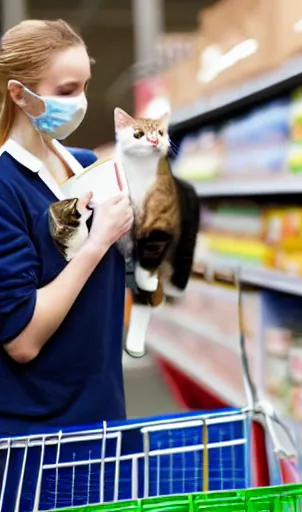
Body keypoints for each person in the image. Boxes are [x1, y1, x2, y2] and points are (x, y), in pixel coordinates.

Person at [0, 19, 134, 436]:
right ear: (20, 94)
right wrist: (98, 242)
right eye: (66, 91)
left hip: (103, 411)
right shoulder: (6, 186)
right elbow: (21, 341)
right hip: (40, 436)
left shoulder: (87, 165)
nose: (80, 102)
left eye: (85, 87)